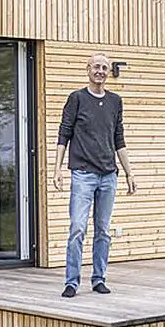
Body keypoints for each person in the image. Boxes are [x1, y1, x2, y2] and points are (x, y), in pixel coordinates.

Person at [54, 53, 137, 298]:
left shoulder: (115, 101)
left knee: (103, 230)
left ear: (108, 71)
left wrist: (129, 173)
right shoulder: (77, 98)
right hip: (82, 174)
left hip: (108, 175)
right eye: (96, 67)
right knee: (78, 228)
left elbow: (118, 139)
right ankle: (71, 282)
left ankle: (99, 278)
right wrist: (57, 169)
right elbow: (64, 134)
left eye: (104, 67)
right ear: (87, 69)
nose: (100, 71)